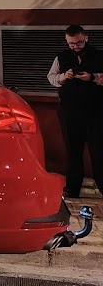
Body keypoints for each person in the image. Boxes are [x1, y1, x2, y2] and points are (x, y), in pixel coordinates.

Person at [47, 25, 103, 198]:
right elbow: (52, 77)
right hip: (69, 110)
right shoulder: (61, 57)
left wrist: (92, 77)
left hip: (96, 109)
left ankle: (102, 186)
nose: (75, 46)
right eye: (71, 43)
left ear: (86, 38)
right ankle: (72, 187)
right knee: (72, 149)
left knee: (99, 149)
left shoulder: (99, 55)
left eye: (78, 42)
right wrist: (65, 76)